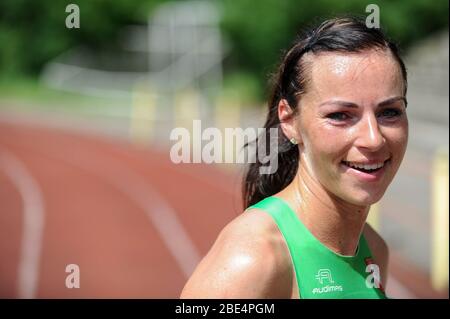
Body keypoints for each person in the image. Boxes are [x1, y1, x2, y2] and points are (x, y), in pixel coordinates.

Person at [180, 16, 408, 299]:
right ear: (289, 121)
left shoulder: (374, 248)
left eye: (390, 112)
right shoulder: (253, 258)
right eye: (340, 115)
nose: (373, 138)